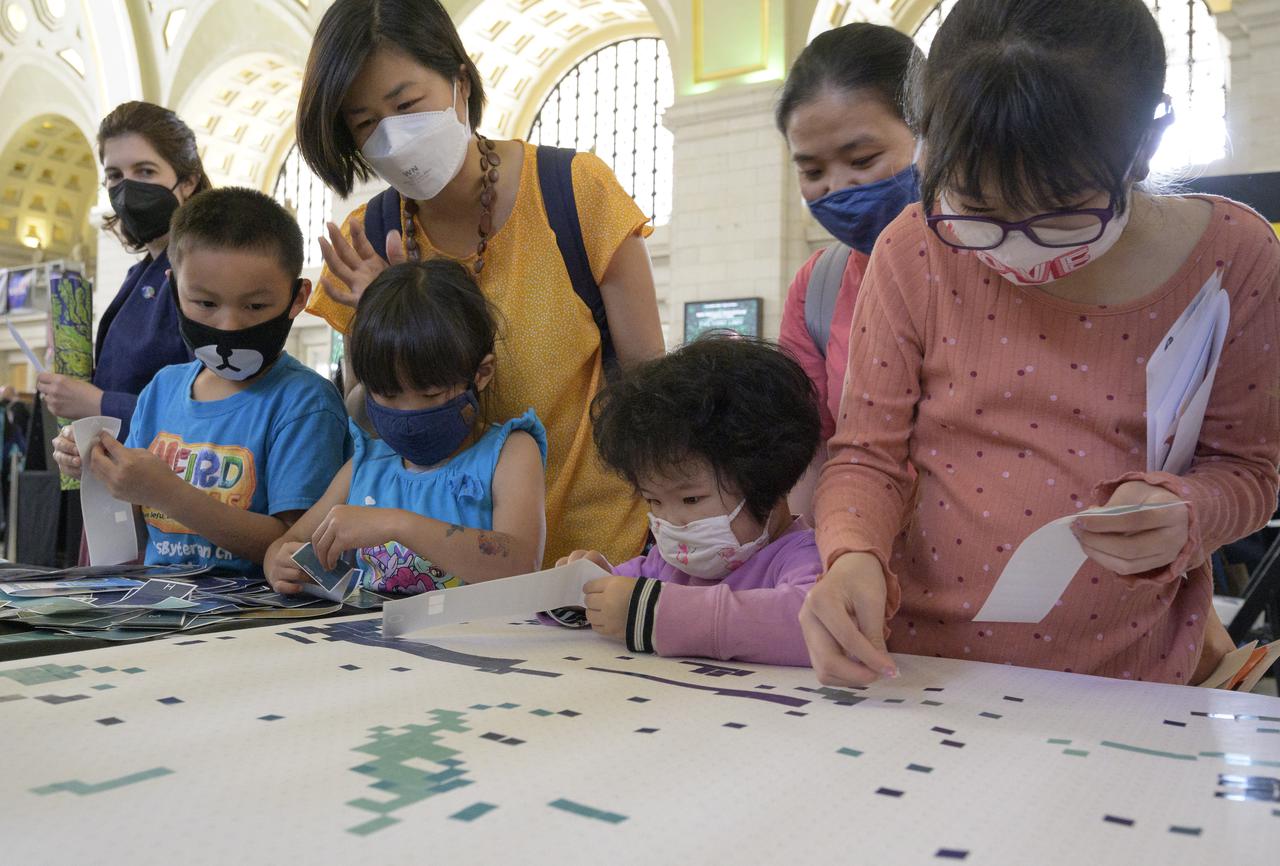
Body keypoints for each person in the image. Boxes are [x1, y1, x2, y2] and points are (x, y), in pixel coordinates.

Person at [801, 0, 1279, 688]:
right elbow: (866, 455)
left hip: (1132, 678)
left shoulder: (1234, 257)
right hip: (920, 668)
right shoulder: (916, 245)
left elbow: (1249, 473)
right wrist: (852, 556)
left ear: (1144, 147)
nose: (1010, 249)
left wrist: (1190, 515)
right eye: (976, 209)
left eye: (1059, 216)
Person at [294, 0, 664, 569]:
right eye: (365, 123)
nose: (391, 136)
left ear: (459, 84)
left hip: (598, 560)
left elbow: (652, 388)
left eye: (407, 105)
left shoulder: (573, 191)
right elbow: (376, 426)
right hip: (432, 581)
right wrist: (393, 318)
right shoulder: (365, 237)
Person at [53, 188, 350, 575]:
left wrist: (170, 493)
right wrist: (101, 472)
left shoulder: (305, 404)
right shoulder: (162, 389)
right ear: (173, 291)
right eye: (205, 304)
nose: (229, 326)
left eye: (256, 306)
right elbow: (138, 515)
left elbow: (295, 550)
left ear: (297, 299)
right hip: (164, 607)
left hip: (255, 620)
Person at [264, 259, 547, 595]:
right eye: (387, 394)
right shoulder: (367, 466)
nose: (408, 414)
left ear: (480, 375)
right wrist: (278, 564)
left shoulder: (508, 453)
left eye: (429, 394)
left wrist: (396, 523)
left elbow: (520, 565)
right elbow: (287, 544)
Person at [556, 337, 823, 666]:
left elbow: (814, 623)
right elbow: (622, 598)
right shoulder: (666, 564)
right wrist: (582, 592)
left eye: (691, 498)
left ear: (770, 481)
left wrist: (655, 614)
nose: (671, 521)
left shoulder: (804, 556)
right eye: (653, 501)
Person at [774, 24, 921, 517]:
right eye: (812, 172)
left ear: (930, 132)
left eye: (862, 158)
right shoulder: (818, 289)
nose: (838, 187)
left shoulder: (1002, 261)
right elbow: (812, 449)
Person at [39, 102, 209, 438]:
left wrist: (98, 404)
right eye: (115, 175)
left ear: (187, 181)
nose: (127, 188)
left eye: (145, 171)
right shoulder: (140, 274)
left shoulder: (202, 269)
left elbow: (211, 404)